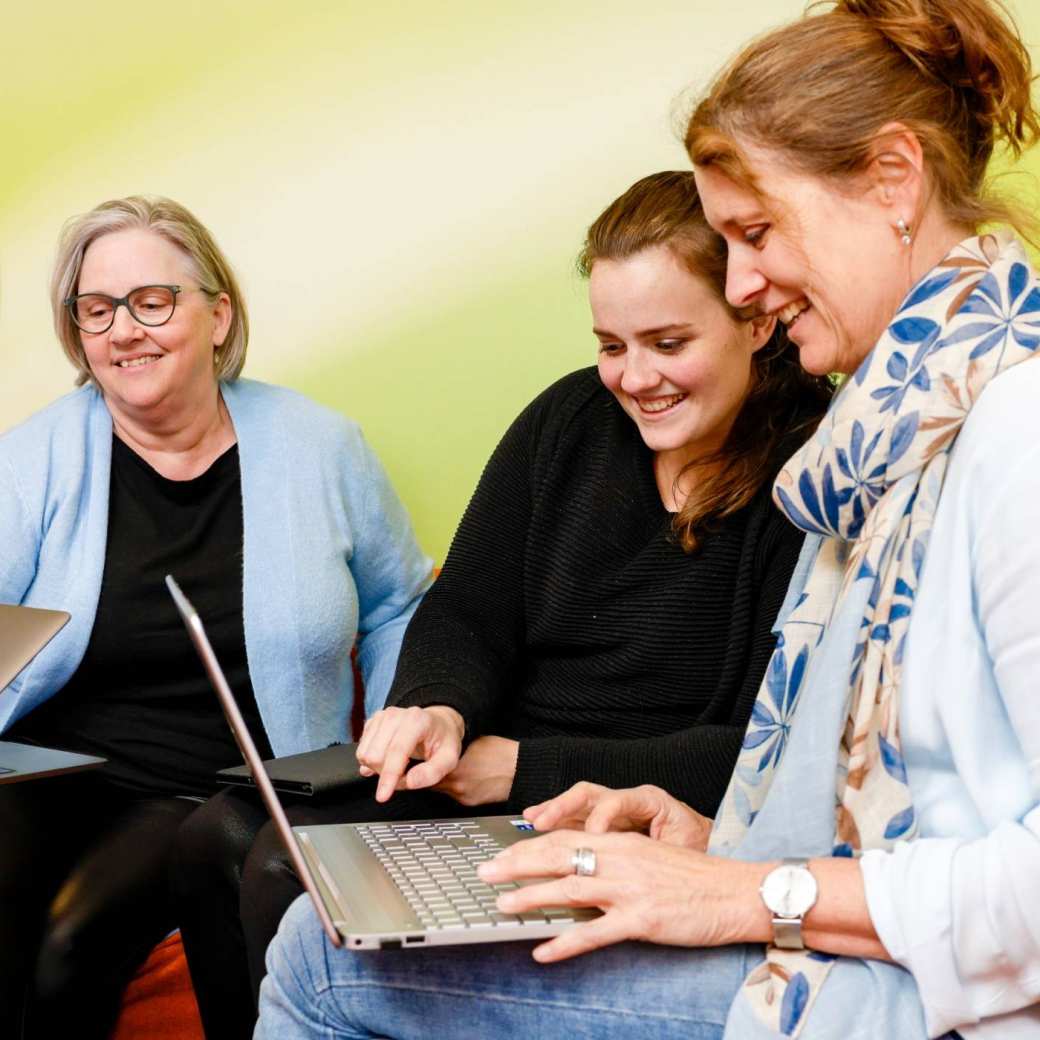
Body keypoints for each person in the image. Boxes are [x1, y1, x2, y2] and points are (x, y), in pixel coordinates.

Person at [255, 1, 1040, 1038]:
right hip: (848, 944)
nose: (748, 283)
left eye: (754, 234)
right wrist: (705, 839)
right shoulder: (880, 446)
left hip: (903, 997)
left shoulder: (1010, 436)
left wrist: (740, 892)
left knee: (319, 955)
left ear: (892, 179)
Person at [172, 170, 833, 1038]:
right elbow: (465, 612)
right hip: (487, 775)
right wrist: (433, 707)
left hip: (618, 809)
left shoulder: (811, 477)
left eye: (668, 343)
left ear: (755, 319)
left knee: (278, 872)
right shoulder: (568, 421)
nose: (634, 379)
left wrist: (520, 770)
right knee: (218, 837)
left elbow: (760, 750)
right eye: (611, 345)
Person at [0, 195, 431, 1039]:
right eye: (97, 310)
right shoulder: (32, 458)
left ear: (217, 313)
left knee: (70, 939)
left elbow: (399, 604)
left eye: (151, 301)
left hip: (197, 789)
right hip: (48, 773)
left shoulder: (320, 447)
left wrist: (393, 725)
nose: (125, 330)